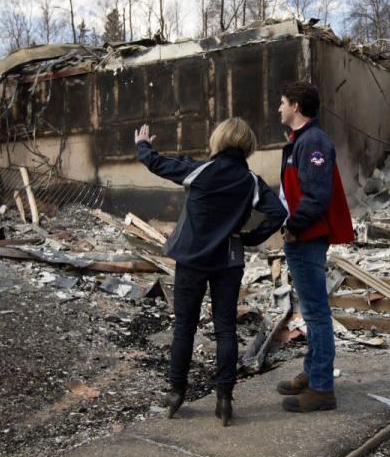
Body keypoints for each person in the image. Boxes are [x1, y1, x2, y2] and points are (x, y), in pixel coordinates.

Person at [135, 118, 287, 426]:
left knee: (184, 328)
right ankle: (224, 400)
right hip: (228, 261)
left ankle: (176, 393)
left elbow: (157, 164)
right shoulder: (251, 180)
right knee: (225, 331)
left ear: (218, 140)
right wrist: (249, 238)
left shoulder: (200, 170)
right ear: (247, 146)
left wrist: (142, 144)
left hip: (191, 258)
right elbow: (278, 213)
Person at [275, 81, 354, 413]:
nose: (278, 108)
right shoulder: (300, 142)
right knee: (310, 310)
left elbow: (317, 196)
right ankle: (312, 372)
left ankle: (322, 389)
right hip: (301, 237)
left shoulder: (314, 142)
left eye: (281, 102)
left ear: (295, 106)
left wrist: (293, 227)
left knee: (317, 314)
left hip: (306, 238)